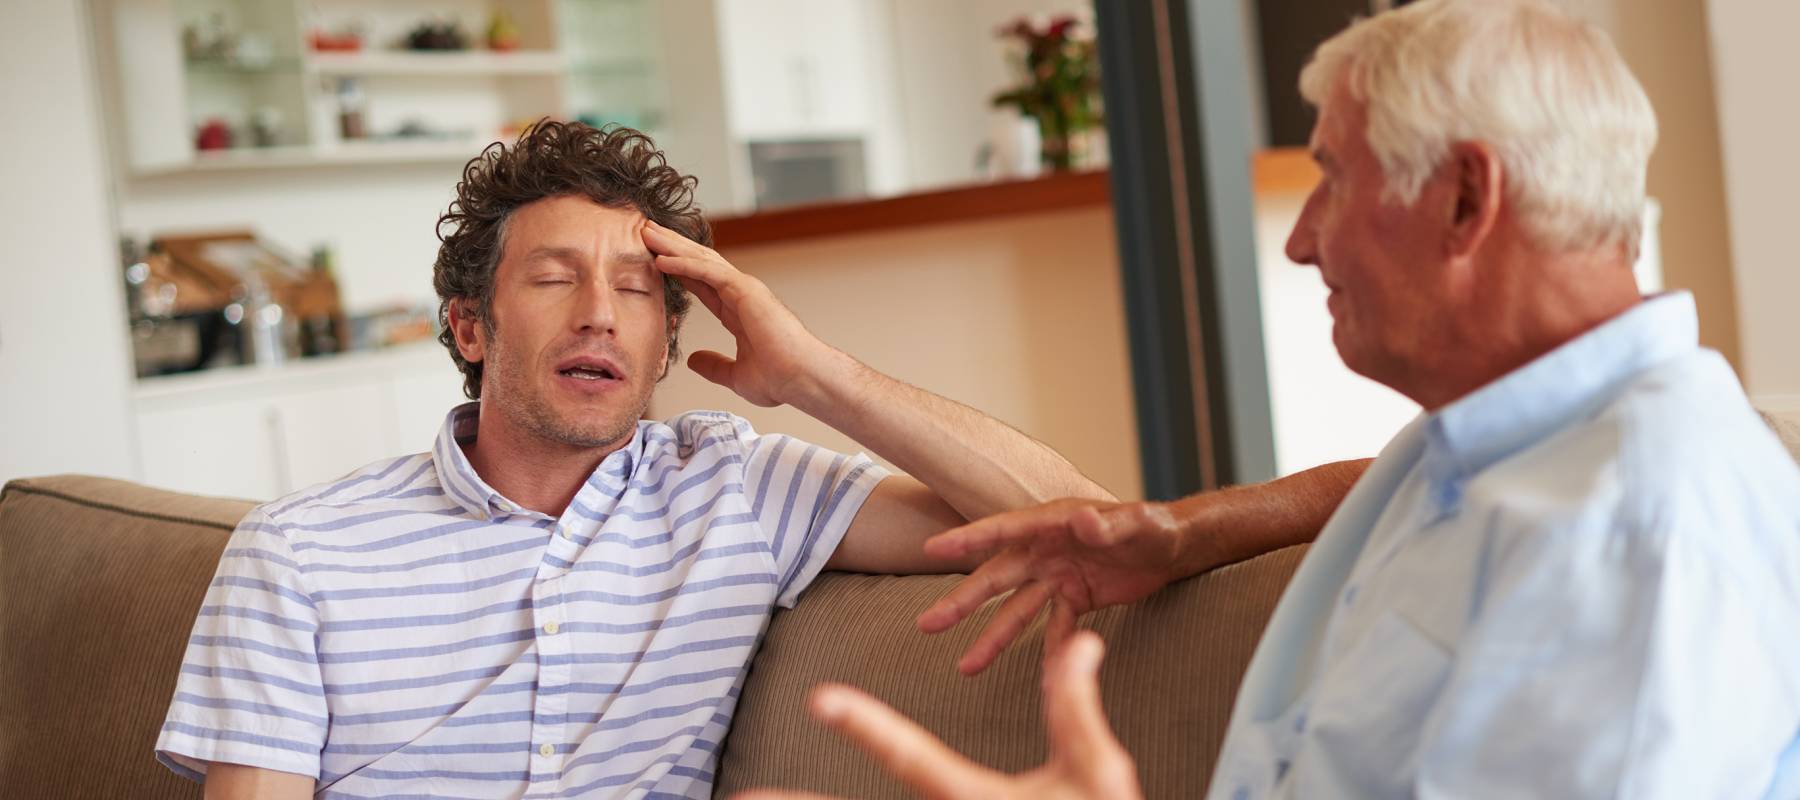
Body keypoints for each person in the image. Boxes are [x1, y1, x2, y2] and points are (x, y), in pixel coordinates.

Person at [739, 1, 1800, 798]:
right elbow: (1388, 484)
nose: (1301, 238)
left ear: (1467, 197)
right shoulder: (1509, 451)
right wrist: (1185, 530)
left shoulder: (1636, 528)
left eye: (1334, 176)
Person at [152, 120, 1145, 799]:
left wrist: (813, 370)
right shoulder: (297, 552)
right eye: (553, 276)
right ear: (469, 326)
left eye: (637, 288)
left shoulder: (731, 488)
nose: (598, 312)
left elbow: (1087, 524)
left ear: (666, 342)